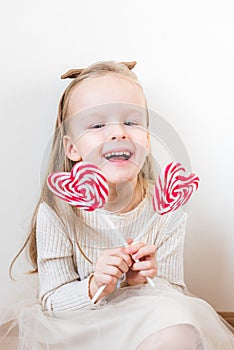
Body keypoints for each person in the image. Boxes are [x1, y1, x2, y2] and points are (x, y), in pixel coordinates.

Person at [0, 60, 233, 349]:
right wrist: (95, 284)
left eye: (131, 122)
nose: (118, 133)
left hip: (141, 326)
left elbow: (174, 294)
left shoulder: (165, 207)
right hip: (77, 326)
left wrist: (139, 284)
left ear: (147, 139)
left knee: (179, 323)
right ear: (72, 148)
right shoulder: (58, 212)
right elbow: (52, 302)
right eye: (97, 124)